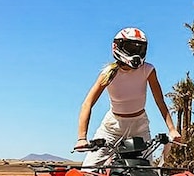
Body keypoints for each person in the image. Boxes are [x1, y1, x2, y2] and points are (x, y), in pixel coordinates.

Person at [75, 28, 181, 167]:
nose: (136, 54)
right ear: (117, 47)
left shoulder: (148, 70)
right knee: (89, 169)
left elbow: (159, 101)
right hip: (112, 126)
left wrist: (172, 130)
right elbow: (87, 104)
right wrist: (82, 138)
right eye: (131, 48)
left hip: (140, 125)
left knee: (148, 172)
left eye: (140, 49)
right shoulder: (109, 73)